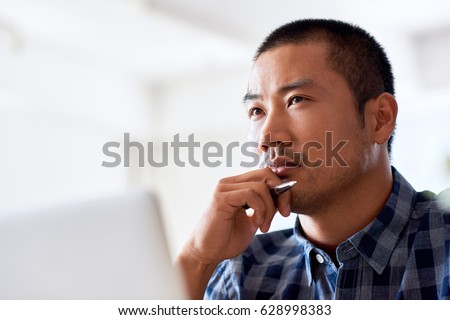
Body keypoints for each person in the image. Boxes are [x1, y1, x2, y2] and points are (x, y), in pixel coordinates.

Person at [175, 18, 450, 299]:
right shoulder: (241, 276)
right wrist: (197, 259)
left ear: (380, 119)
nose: (267, 137)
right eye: (257, 110)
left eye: (297, 100)